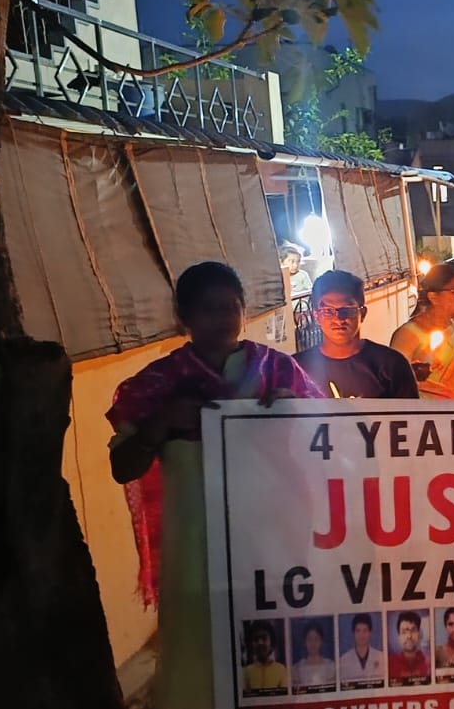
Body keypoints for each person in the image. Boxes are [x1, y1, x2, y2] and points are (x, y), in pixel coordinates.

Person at [107, 261, 322, 709]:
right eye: (208, 309)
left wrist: (294, 414)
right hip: (195, 553)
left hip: (271, 548)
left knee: (272, 649)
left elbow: (330, 444)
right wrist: (159, 426)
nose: (222, 318)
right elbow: (123, 468)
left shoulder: (278, 373)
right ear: (183, 317)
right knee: (197, 654)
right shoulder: (158, 386)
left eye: (230, 307)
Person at [296, 270, 420, 399]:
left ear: (363, 313)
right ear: (316, 316)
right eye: (327, 311)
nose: (338, 319)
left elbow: (410, 411)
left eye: (347, 310)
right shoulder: (297, 369)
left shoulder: (391, 365)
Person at [389, 265, 454, 399]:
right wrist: (415, 372)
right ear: (433, 297)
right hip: (429, 411)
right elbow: (395, 381)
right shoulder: (408, 335)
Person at [338, 613, 385, 687]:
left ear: (370, 633)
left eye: (365, 630)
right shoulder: (343, 660)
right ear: (353, 633)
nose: (361, 635)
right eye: (358, 631)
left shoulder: (381, 657)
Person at [243, 621, 288, 693]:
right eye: (256, 639)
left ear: (272, 642)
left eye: (264, 638)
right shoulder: (247, 672)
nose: (260, 643)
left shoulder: (281, 669)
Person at [388, 612, 430, 686]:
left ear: (419, 634)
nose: (409, 636)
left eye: (413, 631)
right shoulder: (389, 663)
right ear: (399, 637)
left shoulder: (428, 662)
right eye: (404, 632)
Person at [291, 620, 337, 690]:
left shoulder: (330, 666)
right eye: (309, 639)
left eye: (316, 639)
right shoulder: (297, 668)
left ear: (321, 641)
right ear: (304, 642)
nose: (313, 643)